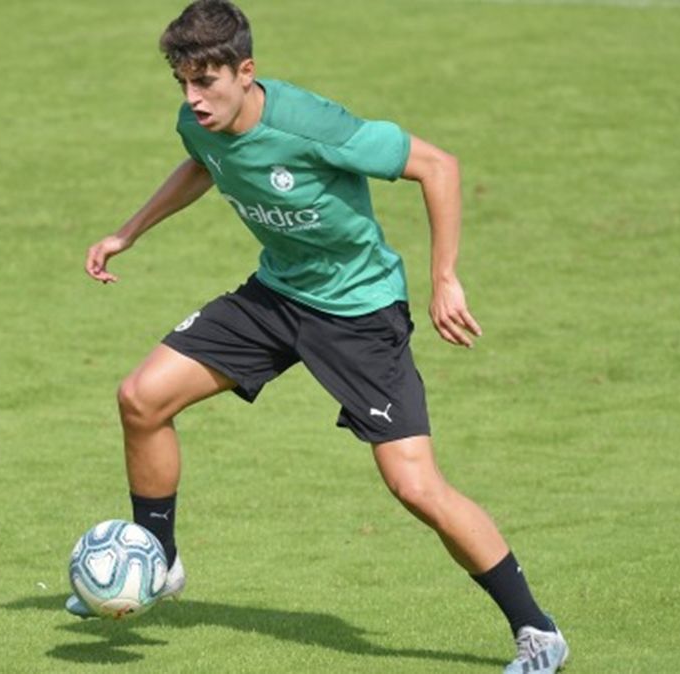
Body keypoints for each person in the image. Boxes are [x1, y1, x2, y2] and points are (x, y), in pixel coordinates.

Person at [75, 1, 569, 671]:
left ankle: (536, 630)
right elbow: (201, 163)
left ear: (245, 72)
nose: (192, 100)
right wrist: (127, 231)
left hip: (359, 315)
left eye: (206, 83)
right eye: (182, 83)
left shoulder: (314, 125)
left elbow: (439, 167)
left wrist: (444, 277)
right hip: (276, 296)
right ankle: (159, 560)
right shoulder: (201, 122)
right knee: (141, 398)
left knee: (415, 486)